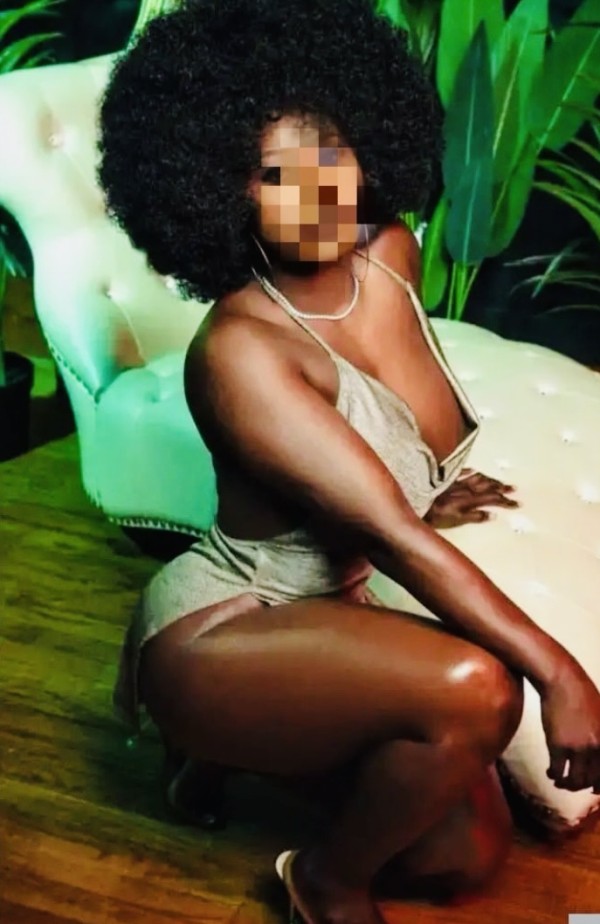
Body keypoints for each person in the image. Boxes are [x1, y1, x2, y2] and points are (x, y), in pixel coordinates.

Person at [97, 2, 600, 922]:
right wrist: (560, 672)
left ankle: (230, 759)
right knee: (480, 689)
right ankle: (322, 881)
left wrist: (427, 485)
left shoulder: (392, 254)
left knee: (465, 857)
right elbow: (390, 537)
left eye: (330, 153)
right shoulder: (239, 351)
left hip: (337, 607)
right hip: (229, 627)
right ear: (216, 190)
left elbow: (381, 450)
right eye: (275, 175)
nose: (319, 193)